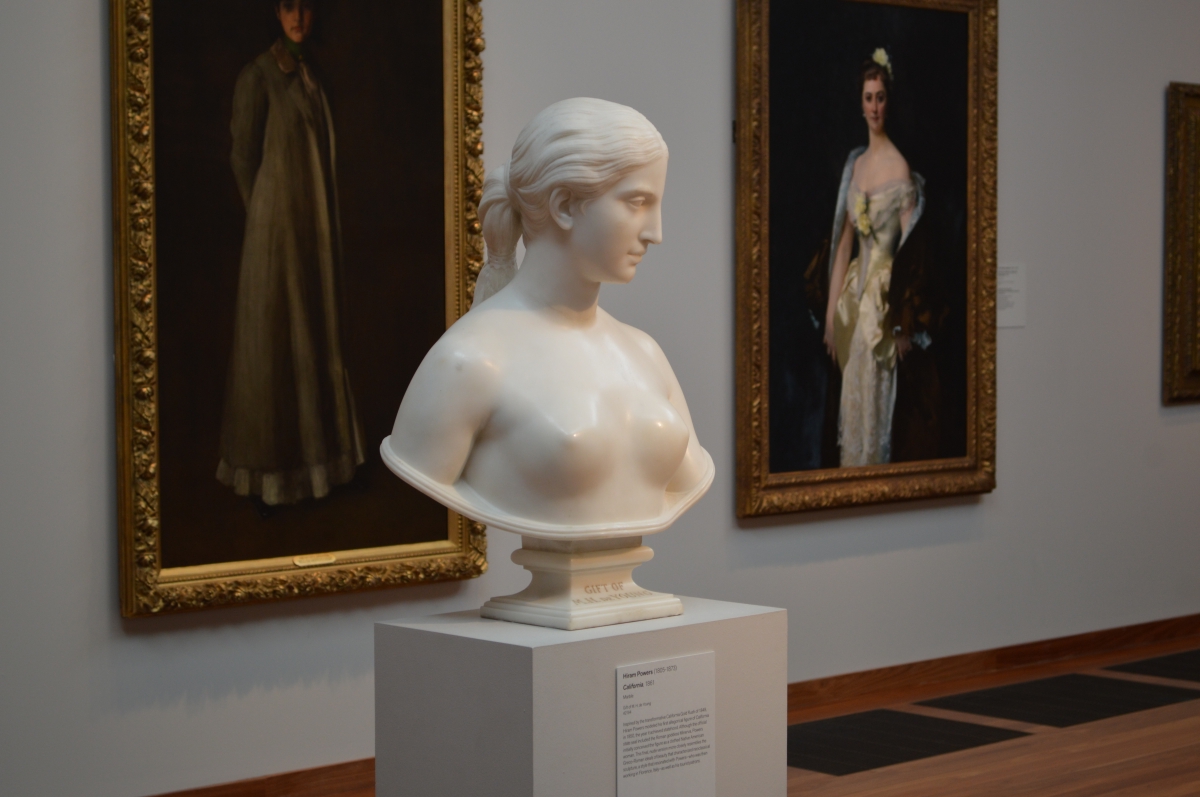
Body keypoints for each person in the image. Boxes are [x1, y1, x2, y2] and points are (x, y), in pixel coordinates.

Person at [381, 98, 713, 535]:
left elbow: (687, 478)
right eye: (637, 202)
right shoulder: (469, 361)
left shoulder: (644, 353)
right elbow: (427, 466)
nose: (656, 232)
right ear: (564, 205)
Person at [216, 0, 364, 508]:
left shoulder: (311, 75)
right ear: (276, 14)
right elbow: (242, 157)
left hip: (311, 231)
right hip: (275, 236)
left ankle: (319, 465)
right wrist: (270, 212)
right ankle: (271, 472)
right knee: (273, 341)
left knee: (313, 334)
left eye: (305, 7)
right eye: (287, 7)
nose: (297, 17)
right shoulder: (258, 76)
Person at [822, 49, 929, 467]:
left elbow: (910, 252)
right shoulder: (857, 164)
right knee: (851, 396)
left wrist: (900, 318)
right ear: (860, 103)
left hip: (884, 302)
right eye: (868, 98)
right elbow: (843, 244)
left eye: (880, 97)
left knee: (878, 401)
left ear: (889, 100)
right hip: (853, 298)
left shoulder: (899, 168)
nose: (874, 107)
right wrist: (831, 316)